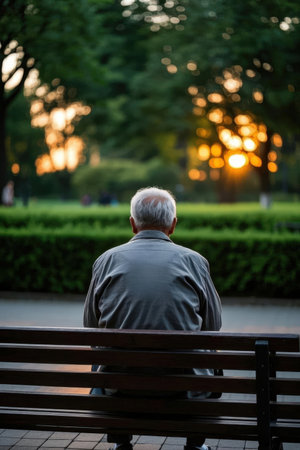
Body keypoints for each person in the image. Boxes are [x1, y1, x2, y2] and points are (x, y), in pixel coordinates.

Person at [83, 187, 222, 450]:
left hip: (119, 389)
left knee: (102, 354)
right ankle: (195, 443)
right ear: (173, 225)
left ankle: (121, 442)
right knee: (208, 352)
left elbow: (91, 327)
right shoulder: (195, 262)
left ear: (133, 224)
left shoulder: (106, 261)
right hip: (186, 390)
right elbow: (213, 326)